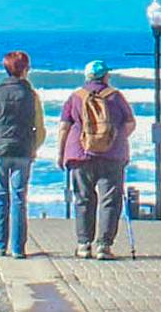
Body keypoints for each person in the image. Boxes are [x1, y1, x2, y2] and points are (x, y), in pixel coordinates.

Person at [58, 60, 137, 257]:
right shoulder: (115, 97)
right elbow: (130, 124)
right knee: (110, 200)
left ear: (87, 76)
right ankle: (104, 245)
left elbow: (64, 127)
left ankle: (84, 244)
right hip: (112, 155)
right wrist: (114, 139)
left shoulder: (75, 97)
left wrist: (61, 153)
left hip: (79, 154)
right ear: (106, 76)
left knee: (83, 199)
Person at [0, 50, 43, 257]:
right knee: (19, 199)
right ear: (25, 69)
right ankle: (18, 248)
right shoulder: (32, 95)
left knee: (1, 198)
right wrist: (34, 147)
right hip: (22, 152)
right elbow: (40, 128)